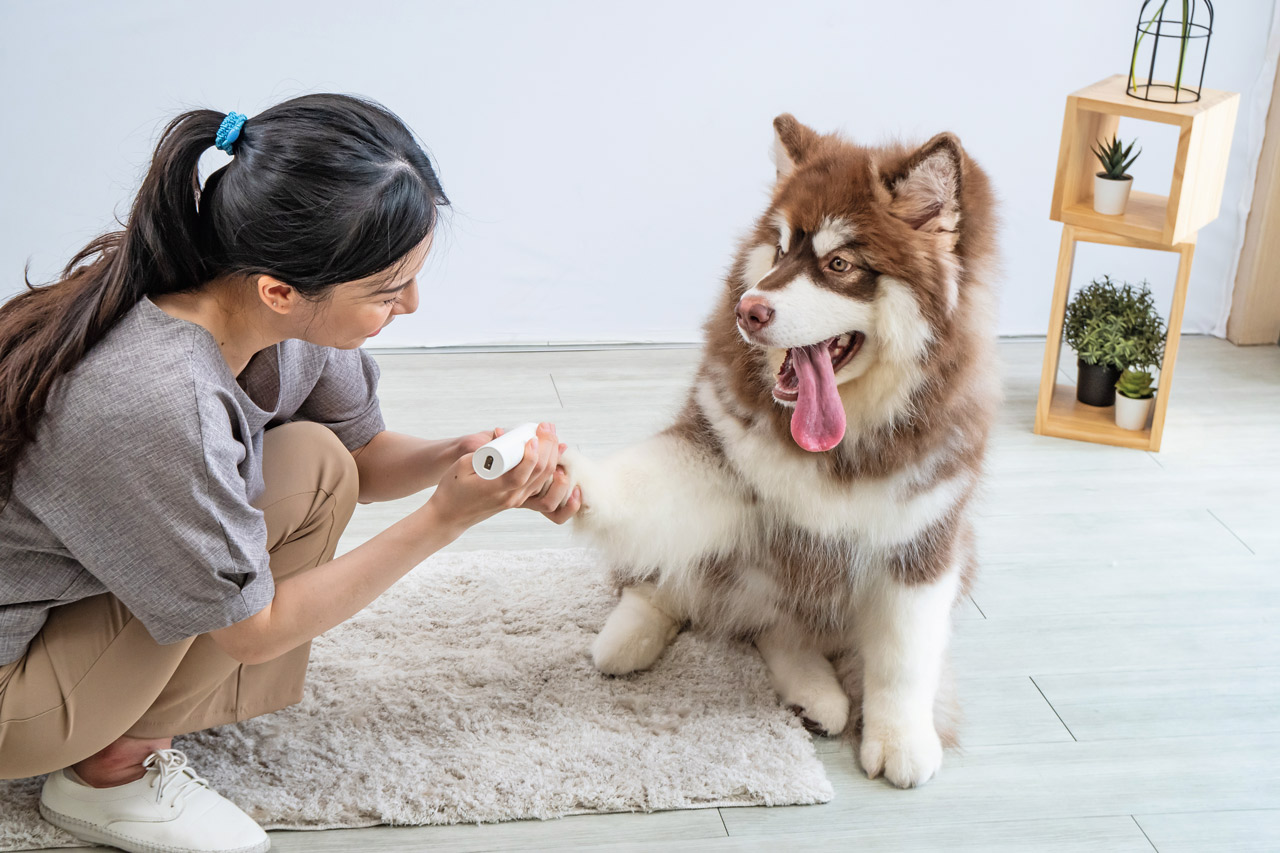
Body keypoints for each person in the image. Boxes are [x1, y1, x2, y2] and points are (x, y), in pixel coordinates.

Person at [0, 95, 581, 853]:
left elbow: (364, 459)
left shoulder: (248, 291)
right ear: (281, 289)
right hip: (9, 690)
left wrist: (463, 458)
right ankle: (110, 773)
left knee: (317, 464)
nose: (410, 303)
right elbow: (252, 630)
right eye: (384, 290)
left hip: (57, 596)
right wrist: (446, 516)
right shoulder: (158, 397)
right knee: (261, 557)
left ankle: (122, 731)